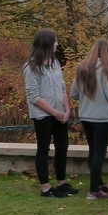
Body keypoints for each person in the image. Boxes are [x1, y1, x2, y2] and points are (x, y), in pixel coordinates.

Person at [23, 28, 74, 199]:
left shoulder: (55, 63)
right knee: (43, 148)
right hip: (43, 114)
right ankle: (45, 187)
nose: (57, 43)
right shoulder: (31, 67)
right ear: (46, 43)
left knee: (62, 147)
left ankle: (61, 183)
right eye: (55, 40)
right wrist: (54, 113)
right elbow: (33, 97)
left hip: (60, 112)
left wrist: (66, 109)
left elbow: (62, 87)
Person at [70, 39, 108, 200]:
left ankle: (98, 183)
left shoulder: (83, 68)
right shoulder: (106, 70)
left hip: (86, 115)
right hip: (103, 117)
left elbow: (74, 93)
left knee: (93, 150)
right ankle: (93, 190)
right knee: (99, 152)